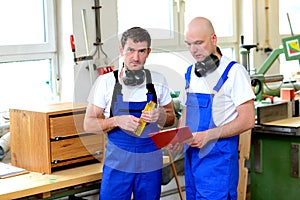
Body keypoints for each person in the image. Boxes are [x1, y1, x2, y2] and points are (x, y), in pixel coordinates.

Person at [84, 27, 175, 200]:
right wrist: (116, 121)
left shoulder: (159, 81)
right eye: (131, 50)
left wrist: (160, 115)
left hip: (150, 162)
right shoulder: (106, 82)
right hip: (118, 163)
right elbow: (88, 124)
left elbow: (171, 118)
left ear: (148, 52)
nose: (136, 57)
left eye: (141, 51)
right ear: (121, 51)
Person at [178, 17, 255, 199]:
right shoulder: (191, 72)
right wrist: (179, 134)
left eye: (199, 43)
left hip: (218, 164)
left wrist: (209, 135)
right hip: (192, 159)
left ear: (214, 39)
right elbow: (188, 110)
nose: (193, 50)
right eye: (189, 44)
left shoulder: (234, 73)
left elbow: (248, 120)